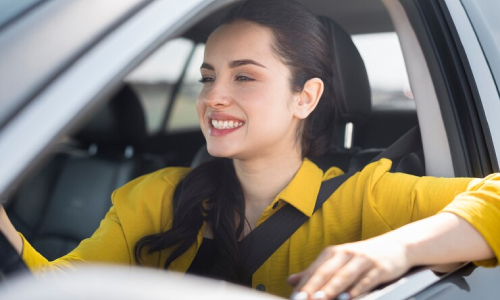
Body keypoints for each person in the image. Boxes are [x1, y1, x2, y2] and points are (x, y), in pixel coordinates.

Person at [1, 0, 499, 299]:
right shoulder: (152, 198)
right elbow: (49, 289)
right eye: (207, 77)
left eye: (244, 76)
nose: (214, 96)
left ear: (305, 98)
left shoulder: (365, 197)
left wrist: (398, 248)